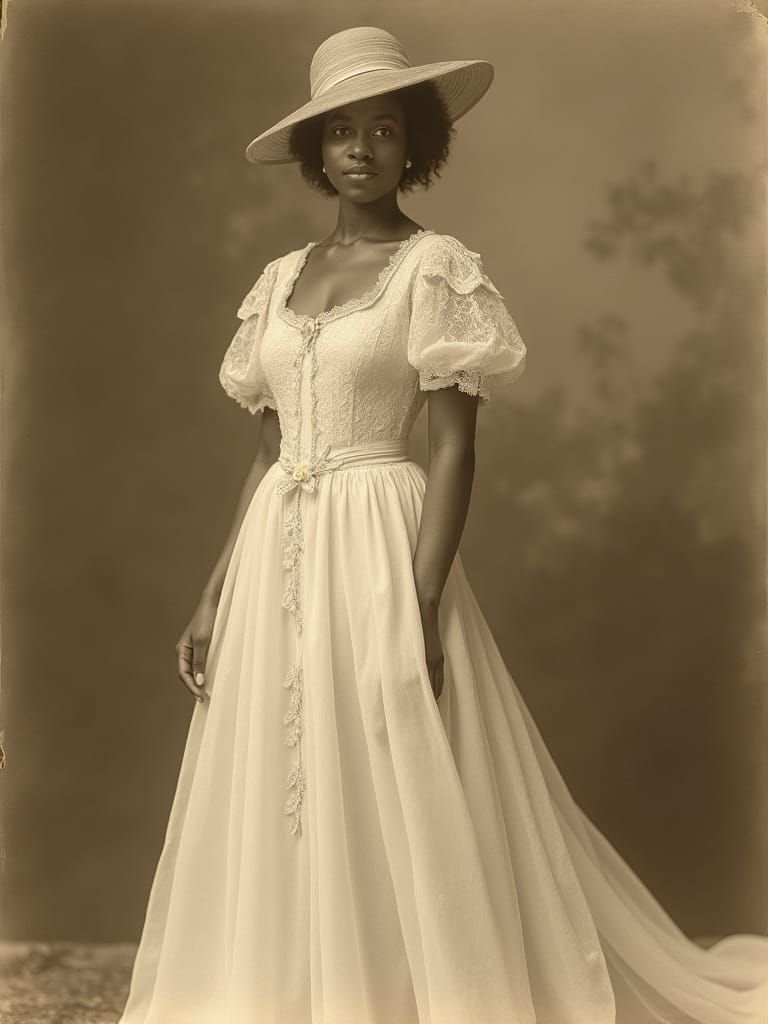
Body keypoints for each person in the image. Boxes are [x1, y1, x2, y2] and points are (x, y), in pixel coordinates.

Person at [117, 25, 768, 1024]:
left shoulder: (435, 270)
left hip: (382, 535)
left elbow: (457, 448)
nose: (363, 148)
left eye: (386, 128)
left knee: (395, 754)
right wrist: (212, 595)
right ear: (315, 149)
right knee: (281, 770)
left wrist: (418, 603)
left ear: (413, 145)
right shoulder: (280, 281)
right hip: (274, 554)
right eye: (343, 130)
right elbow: (267, 453)